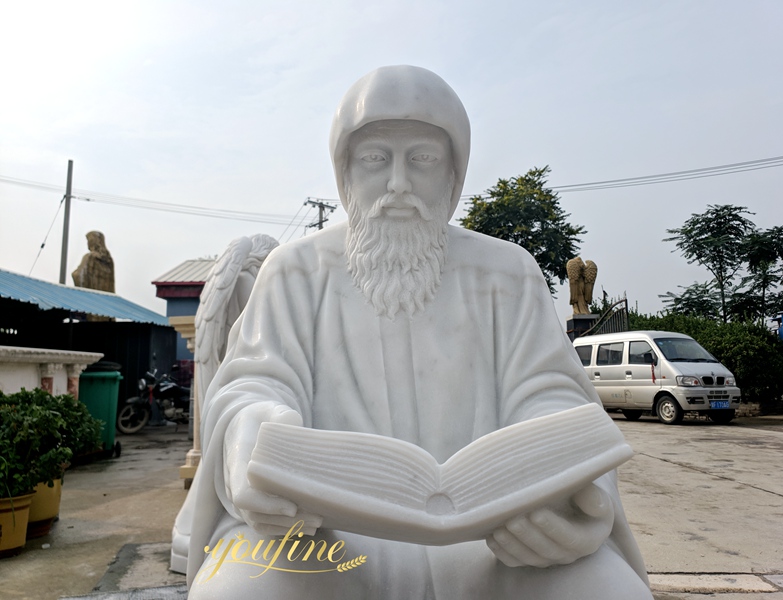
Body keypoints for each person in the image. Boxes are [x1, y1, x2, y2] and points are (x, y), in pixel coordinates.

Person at [187, 65, 652, 599]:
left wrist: (563, 496)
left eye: (423, 159)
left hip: (494, 544)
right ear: (345, 175)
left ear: (454, 176)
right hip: (324, 538)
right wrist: (254, 443)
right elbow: (254, 385)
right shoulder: (295, 271)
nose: (398, 183)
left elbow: (553, 399)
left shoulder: (507, 272)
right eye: (375, 159)